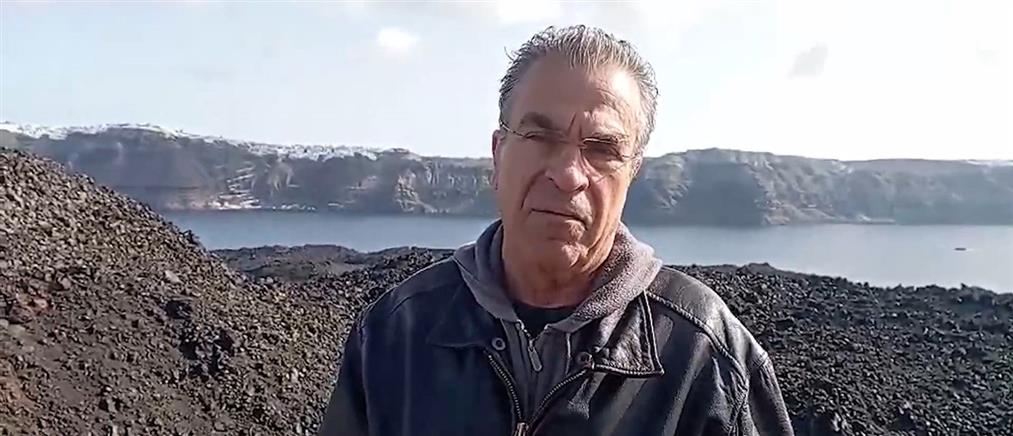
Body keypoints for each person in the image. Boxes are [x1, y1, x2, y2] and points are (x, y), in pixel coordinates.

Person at [320, 25, 794, 436]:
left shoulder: (707, 355)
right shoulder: (393, 334)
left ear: (632, 174)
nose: (568, 174)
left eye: (602, 148)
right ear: (498, 154)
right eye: (540, 136)